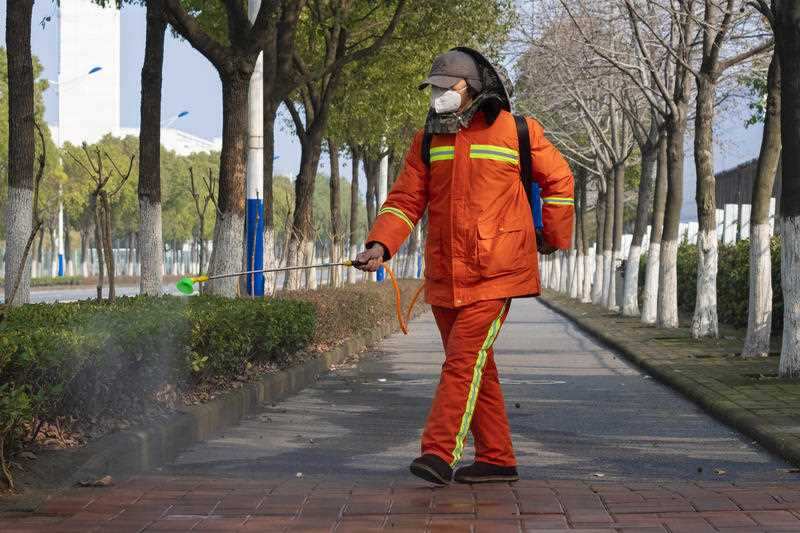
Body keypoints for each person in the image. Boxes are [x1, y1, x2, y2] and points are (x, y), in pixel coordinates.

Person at [354, 48, 574, 485]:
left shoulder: (517, 131)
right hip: (445, 274)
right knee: (476, 364)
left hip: (497, 271)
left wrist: (553, 235)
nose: (435, 95)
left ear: (468, 88)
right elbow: (405, 200)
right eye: (431, 88)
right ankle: (497, 458)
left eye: (443, 88)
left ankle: (438, 452)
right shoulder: (427, 140)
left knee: (461, 361)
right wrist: (381, 243)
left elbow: (560, 181)